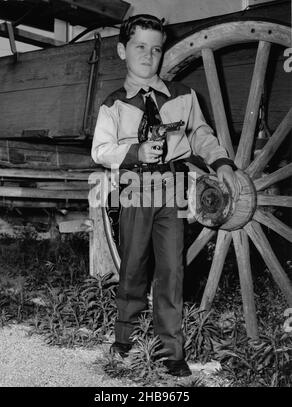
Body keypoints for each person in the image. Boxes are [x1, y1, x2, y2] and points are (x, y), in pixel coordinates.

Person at [92, 14, 239, 377]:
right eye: (140, 46)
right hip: (133, 187)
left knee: (172, 269)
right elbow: (100, 149)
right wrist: (133, 154)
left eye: (156, 49)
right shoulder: (114, 104)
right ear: (123, 50)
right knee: (133, 265)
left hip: (172, 188)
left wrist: (220, 161)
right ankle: (125, 336)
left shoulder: (184, 97)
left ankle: (171, 349)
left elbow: (201, 133)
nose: (149, 55)